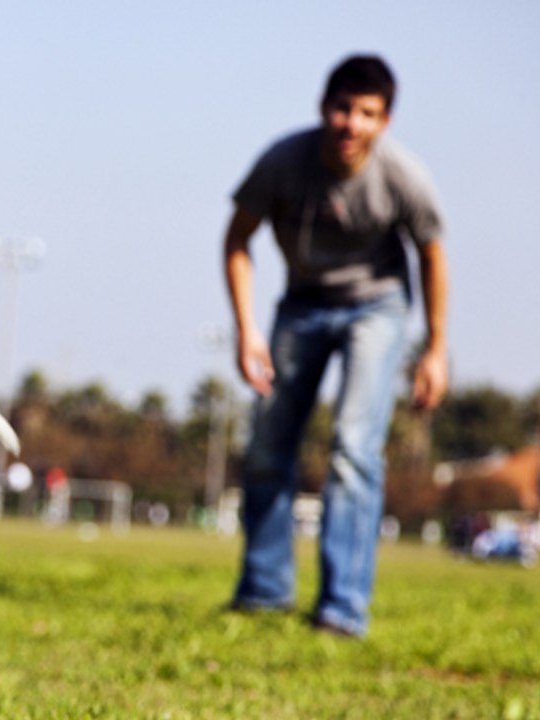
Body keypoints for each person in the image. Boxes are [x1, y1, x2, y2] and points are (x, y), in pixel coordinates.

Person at [222, 55, 449, 637]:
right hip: (301, 304)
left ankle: (343, 607)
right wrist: (247, 330)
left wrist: (435, 347)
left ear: (385, 121)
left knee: (353, 446)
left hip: (377, 308)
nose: (352, 123)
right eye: (343, 108)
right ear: (324, 108)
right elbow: (237, 240)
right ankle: (264, 591)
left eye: (367, 113)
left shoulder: (402, 176)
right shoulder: (283, 162)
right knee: (270, 443)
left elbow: (431, 255)